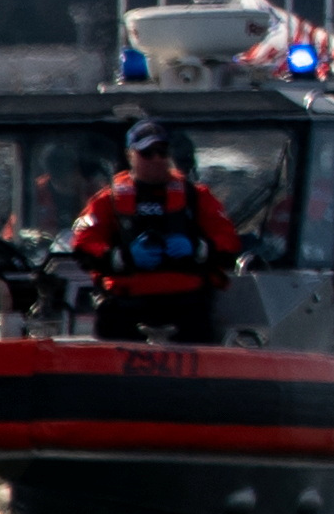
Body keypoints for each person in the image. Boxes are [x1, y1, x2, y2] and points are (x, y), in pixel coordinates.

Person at [64, 119, 246, 345]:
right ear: (131, 155)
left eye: (162, 152)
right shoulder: (108, 201)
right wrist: (123, 256)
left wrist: (198, 247)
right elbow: (84, 245)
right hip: (126, 308)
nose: (157, 159)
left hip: (186, 308)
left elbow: (228, 242)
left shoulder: (197, 197)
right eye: (147, 153)